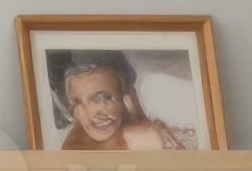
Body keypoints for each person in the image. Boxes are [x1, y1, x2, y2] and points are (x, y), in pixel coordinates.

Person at [53, 54, 196, 151]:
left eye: (103, 98)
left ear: (126, 98)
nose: (92, 114)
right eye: (78, 102)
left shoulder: (147, 137)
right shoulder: (74, 145)